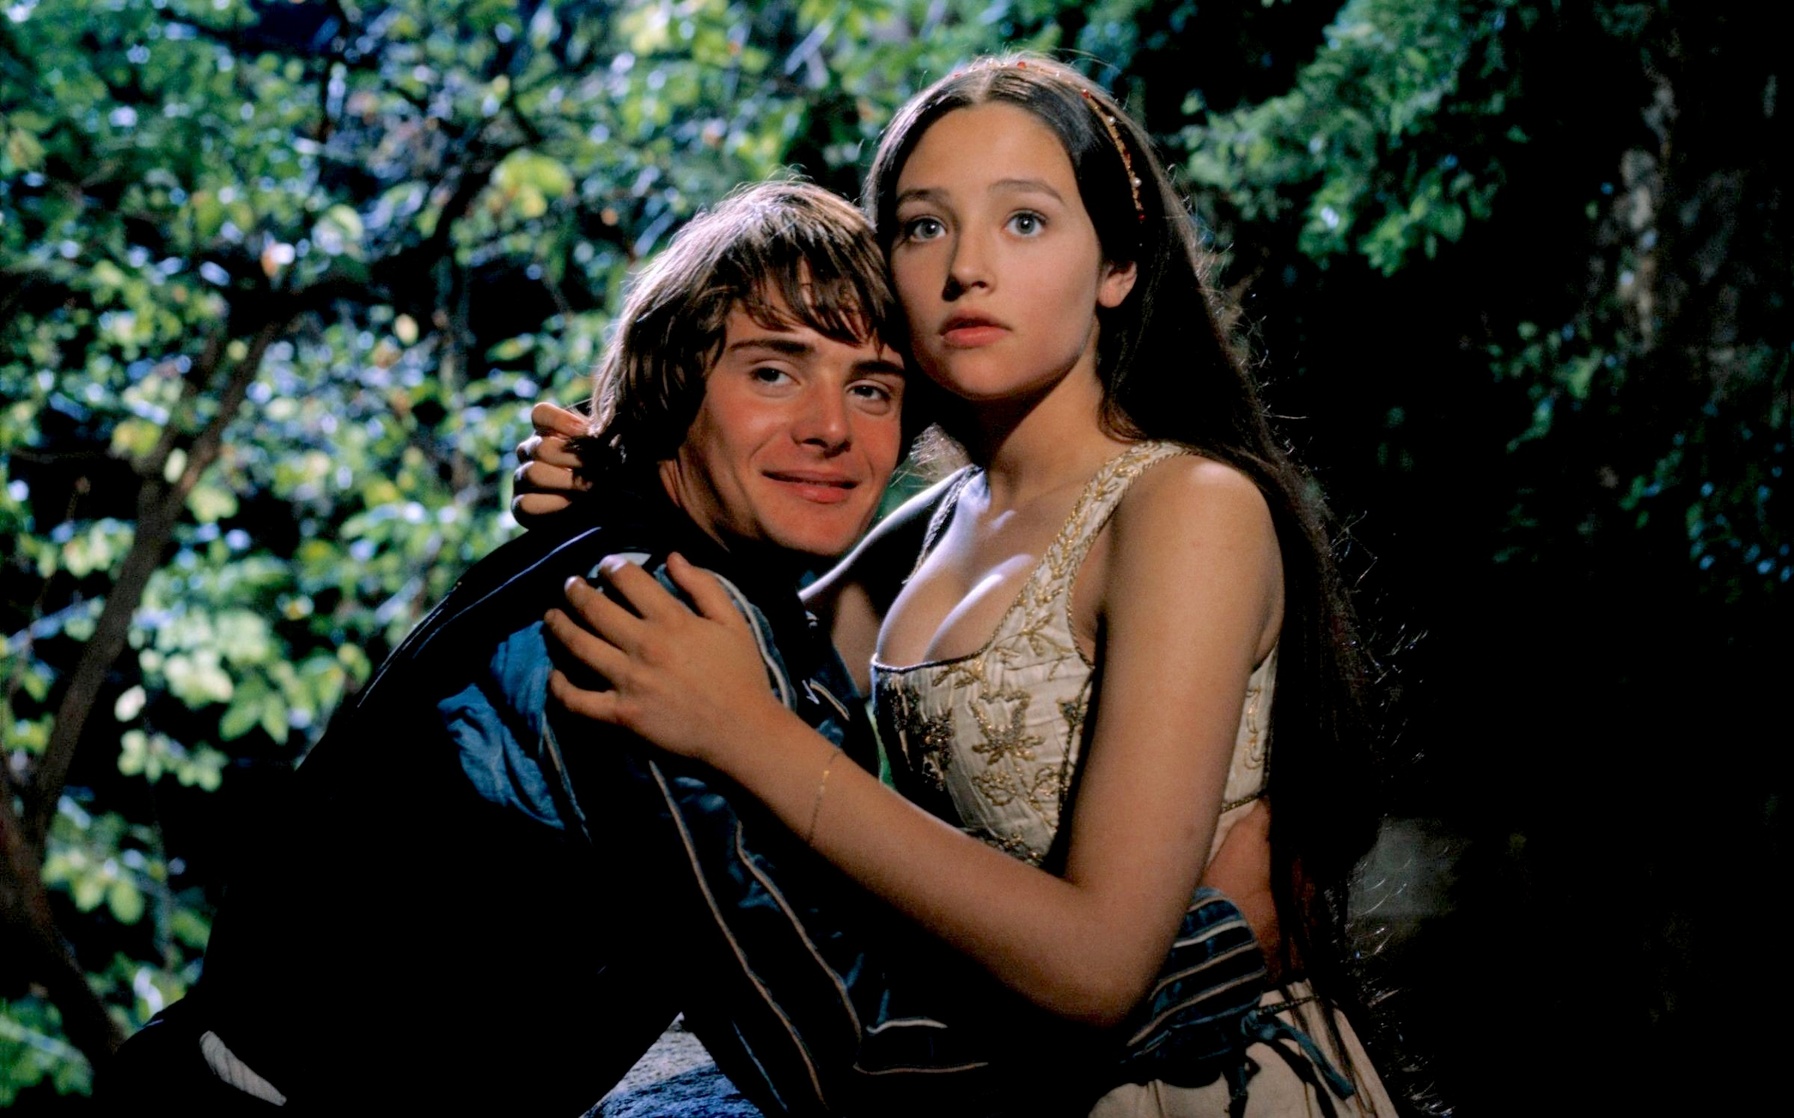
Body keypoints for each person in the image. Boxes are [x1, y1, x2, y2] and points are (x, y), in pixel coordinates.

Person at [533, 56, 1396, 1117]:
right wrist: (615, 482)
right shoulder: (942, 523)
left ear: (1119, 264)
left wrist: (748, 734)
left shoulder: (1186, 505)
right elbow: (735, 635)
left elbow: (1099, 966)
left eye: (1024, 221)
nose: (967, 270)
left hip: (1193, 1083)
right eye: (924, 227)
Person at [103, 181, 919, 1111]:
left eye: (871, 389)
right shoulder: (650, 623)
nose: (831, 428)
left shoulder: (627, 538)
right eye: (773, 373)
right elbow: (842, 1054)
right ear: (677, 385)